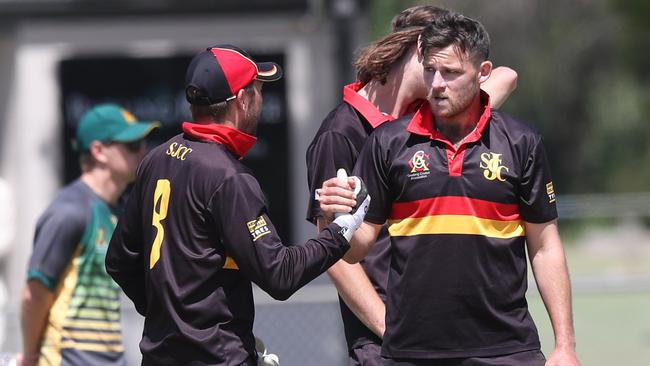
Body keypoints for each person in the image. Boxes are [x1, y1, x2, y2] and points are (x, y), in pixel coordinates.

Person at [318, 11, 580, 366]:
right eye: (430, 70)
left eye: (452, 73)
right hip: (411, 354)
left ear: (482, 73)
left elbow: (546, 247)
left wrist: (565, 346)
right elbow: (358, 247)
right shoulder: (388, 143)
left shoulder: (521, 142)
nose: (437, 83)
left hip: (507, 351)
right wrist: (336, 220)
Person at [104, 44, 369, 366]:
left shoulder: (158, 158)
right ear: (242, 100)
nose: (261, 99)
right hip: (217, 357)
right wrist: (340, 232)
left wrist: (171, 321)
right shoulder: (229, 177)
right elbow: (280, 275)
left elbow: (119, 260)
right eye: (258, 91)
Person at [20, 104, 159, 366]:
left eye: (142, 143)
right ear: (98, 151)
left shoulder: (117, 211)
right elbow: (34, 293)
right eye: (131, 145)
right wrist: (29, 356)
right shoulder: (69, 211)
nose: (142, 151)